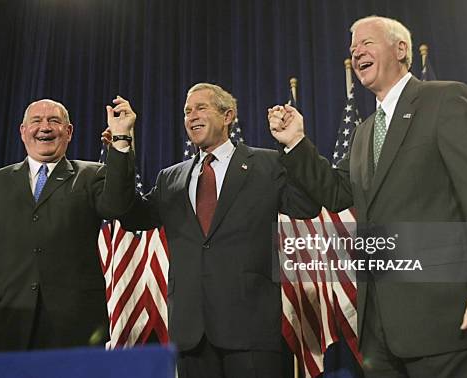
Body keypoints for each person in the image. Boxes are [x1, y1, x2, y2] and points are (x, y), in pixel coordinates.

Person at [268, 16, 467, 377]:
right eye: (353, 48)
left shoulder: (444, 99)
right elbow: (336, 193)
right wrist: (295, 142)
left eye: (366, 43)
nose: (356, 52)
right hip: (379, 331)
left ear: (401, 49)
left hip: (445, 321)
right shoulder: (364, 132)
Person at [102, 83, 318, 378]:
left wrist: (293, 144)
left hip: (251, 330)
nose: (192, 116)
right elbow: (125, 213)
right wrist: (122, 143)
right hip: (192, 335)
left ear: (228, 115)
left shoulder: (266, 164)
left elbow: (307, 206)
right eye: (187, 111)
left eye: (201, 108)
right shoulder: (171, 178)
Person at [0, 99, 126, 352]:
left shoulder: (92, 175)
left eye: (54, 121)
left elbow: (119, 206)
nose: (45, 127)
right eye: (36, 121)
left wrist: (121, 147)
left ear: (69, 132)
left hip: (75, 325)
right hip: (6, 323)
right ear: (22, 131)